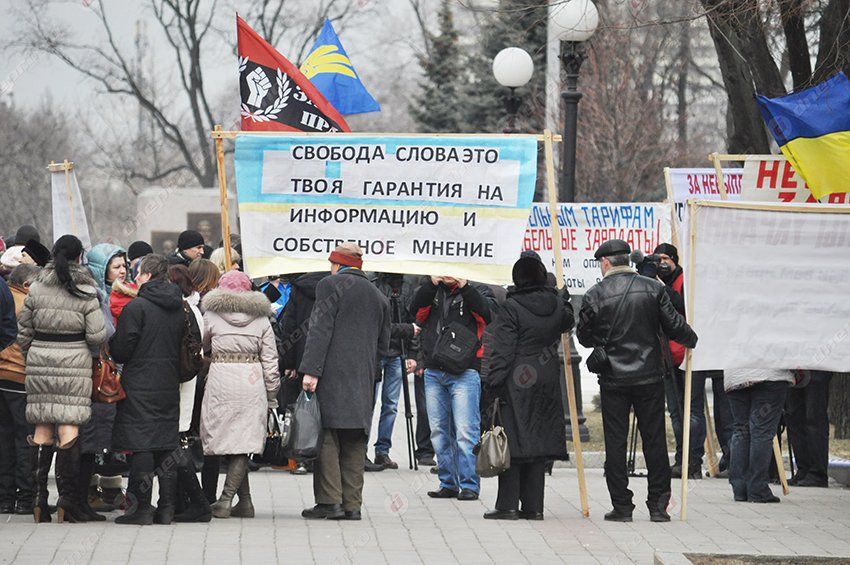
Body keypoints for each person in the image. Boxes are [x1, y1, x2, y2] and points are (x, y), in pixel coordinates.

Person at [577, 239, 697, 523]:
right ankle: (658, 506)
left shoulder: (595, 294)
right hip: (649, 377)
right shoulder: (654, 288)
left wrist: (604, 340)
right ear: (627, 261)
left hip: (613, 380)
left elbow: (583, 336)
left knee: (615, 444)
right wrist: (692, 339)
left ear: (605, 263)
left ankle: (621, 507)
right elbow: (674, 326)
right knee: (654, 441)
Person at [18, 235, 107, 523]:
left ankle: (38, 500)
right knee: (68, 428)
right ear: (80, 257)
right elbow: (96, 335)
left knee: (42, 427)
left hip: (40, 360)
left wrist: (34, 353)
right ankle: (66, 501)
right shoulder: (85, 289)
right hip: (74, 362)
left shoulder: (37, 287)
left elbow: (24, 331)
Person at [299, 243, 390, 520]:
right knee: (355, 439)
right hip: (363, 377)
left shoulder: (330, 285)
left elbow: (320, 329)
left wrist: (311, 370)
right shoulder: (378, 295)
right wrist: (372, 374)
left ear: (337, 264)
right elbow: (382, 344)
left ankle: (329, 502)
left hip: (331, 374)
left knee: (327, 436)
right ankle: (353, 506)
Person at [481, 256, 574, 521]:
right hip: (546, 378)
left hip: (516, 380)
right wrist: (562, 298)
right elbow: (569, 321)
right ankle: (534, 507)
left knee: (512, 440)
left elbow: (503, 349)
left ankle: (507, 505)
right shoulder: (556, 305)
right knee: (538, 440)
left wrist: (493, 382)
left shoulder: (512, 307)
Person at [110, 254, 185, 525]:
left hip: (140, 384)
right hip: (168, 383)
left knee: (142, 445)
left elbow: (121, 349)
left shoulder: (136, 307)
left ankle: (141, 509)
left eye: (139, 273)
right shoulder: (179, 307)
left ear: (149, 276)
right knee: (166, 445)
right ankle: (166, 508)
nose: (135, 278)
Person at [201, 270, 280, 519]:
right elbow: (270, 361)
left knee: (228, 439)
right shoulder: (262, 319)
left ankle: (231, 501)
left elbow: (201, 346)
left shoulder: (211, 315)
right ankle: (237, 501)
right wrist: (272, 393)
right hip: (251, 380)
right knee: (243, 440)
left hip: (220, 379)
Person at [652, 243, 731, 479]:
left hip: (691, 355)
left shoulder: (687, 281)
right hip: (668, 356)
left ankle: (692, 461)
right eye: (658, 259)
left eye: (666, 258)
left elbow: (687, 308)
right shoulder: (658, 283)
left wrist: (661, 288)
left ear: (676, 260)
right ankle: (683, 458)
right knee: (677, 412)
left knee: (693, 411)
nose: (662, 263)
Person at [411, 273, 492, 501]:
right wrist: (430, 284)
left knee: (466, 431)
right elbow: (415, 312)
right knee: (438, 431)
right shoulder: (431, 289)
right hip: (434, 370)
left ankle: (469, 485)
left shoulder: (476, 290)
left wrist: (466, 287)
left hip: (464, 371)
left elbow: (487, 316)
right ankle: (448, 482)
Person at [83, 243, 129, 517]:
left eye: (124, 265)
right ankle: (90, 490)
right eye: (116, 266)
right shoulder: (96, 298)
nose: (123, 271)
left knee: (115, 434)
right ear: (102, 269)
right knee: (95, 433)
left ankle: (112, 490)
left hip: (117, 373)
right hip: (99, 374)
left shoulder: (130, 294)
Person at [166, 264, 211, 522]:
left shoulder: (184, 310)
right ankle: (185, 502)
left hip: (179, 380)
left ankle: (194, 502)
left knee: (176, 441)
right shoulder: (194, 308)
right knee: (179, 439)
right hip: (188, 379)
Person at [368, 272, 420, 471]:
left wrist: (413, 354)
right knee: (369, 403)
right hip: (376, 352)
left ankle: (383, 451)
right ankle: (361, 450)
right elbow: (379, 325)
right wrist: (406, 329)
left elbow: (416, 324)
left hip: (398, 352)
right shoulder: (372, 284)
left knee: (390, 405)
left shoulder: (408, 287)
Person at [279, 271, 328, 476]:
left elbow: (289, 326)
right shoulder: (336, 285)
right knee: (326, 408)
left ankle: (301, 457)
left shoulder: (299, 289)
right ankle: (324, 458)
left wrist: (288, 362)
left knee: (303, 407)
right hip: (329, 357)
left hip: (302, 355)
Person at [0, 265, 40, 515]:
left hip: (1, 376)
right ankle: (25, 497)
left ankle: (4, 497)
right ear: (27, 285)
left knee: (4, 438)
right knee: (24, 438)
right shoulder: (27, 304)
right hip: (19, 376)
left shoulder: (6, 295)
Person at [725, 368, 794, 502]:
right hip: (770, 374)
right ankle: (757, 488)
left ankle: (740, 488)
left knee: (741, 430)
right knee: (761, 431)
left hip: (735, 375)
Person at [187, 258, 223, 500]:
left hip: (191, 376)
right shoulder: (209, 307)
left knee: (190, 435)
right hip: (206, 375)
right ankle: (207, 494)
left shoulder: (189, 304)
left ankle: (192, 494)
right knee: (211, 438)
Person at [786, 370, 832, 488]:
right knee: (794, 418)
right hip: (795, 370)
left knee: (814, 419)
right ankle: (803, 468)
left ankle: (817, 472)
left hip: (816, 370)